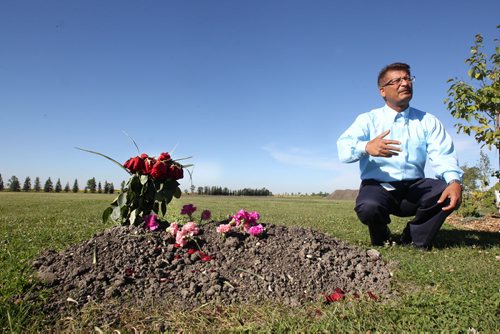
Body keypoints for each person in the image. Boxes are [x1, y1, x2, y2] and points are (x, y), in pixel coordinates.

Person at [337, 62, 463, 249]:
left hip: (414, 188)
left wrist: (454, 181)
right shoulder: (368, 120)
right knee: (368, 206)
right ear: (383, 91)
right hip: (379, 187)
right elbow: (343, 148)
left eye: (407, 78)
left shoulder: (428, 121)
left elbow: (442, 154)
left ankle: (413, 237)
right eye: (396, 80)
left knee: (445, 190)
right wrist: (366, 146)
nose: (404, 83)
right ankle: (381, 234)